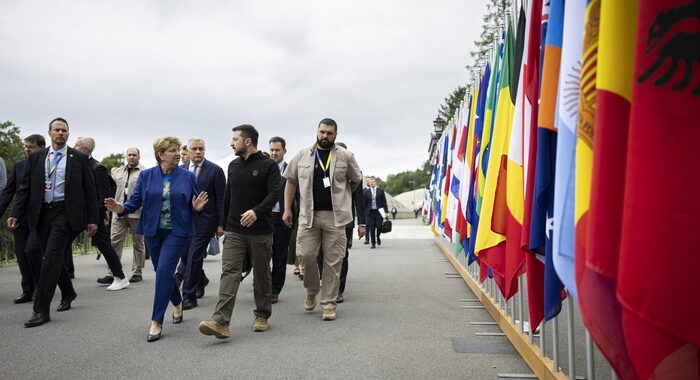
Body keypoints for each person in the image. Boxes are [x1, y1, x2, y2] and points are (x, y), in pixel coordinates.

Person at [105, 136, 209, 342]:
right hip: (153, 232)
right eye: (172, 151)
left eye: (178, 150)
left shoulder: (187, 176)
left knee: (163, 271)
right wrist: (121, 208)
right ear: (161, 155)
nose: (178, 154)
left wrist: (196, 209)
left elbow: (195, 202)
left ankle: (157, 320)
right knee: (163, 272)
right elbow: (135, 201)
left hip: (177, 232)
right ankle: (177, 302)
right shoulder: (146, 176)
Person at [8, 118, 98, 328]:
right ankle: (68, 291)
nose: (60, 133)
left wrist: (93, 219)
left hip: (65, 213)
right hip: (40, 214)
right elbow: (25, 188)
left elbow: (90, 191)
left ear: (68, 134)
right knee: (36, 252)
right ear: (49, 133)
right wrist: (15, 212)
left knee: (51, 258)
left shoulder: (79, 159)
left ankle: (41, 310)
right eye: (57, 130)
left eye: (64, 131)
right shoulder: (37, 157)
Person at [198, 124, 280, 339]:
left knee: (262, 275)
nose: (231, 142)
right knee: (230, 273)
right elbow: (228, 196)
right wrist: (221, 223)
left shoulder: (269, 166)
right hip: (234, 230)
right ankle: (221, 321)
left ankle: (262, 315)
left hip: (261, 231)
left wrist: (257, 211)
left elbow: (274, 194)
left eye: (234, 139)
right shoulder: (233, 165)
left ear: (247, 141)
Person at [282, 118, 362, 321]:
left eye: (329, 133)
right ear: (317, 132)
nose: (325, 136)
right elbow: (290, 181)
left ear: (336, 135)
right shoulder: (302, 155)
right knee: (305, 255)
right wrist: (287, 209)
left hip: (335, 217)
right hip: (308, 215)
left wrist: (342, 197)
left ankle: (328, 304)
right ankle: (311, 289)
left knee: (333, 262)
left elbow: (355, 180)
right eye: (322, 132)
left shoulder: (346, 156)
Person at [74, 137, 129, 291]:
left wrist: (97, 216)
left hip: (93, 216)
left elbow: (103, 196)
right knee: (60, 243)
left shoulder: (97, 168)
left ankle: (120, 277)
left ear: (85, 149)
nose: (73, 147)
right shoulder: (77, 166)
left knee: (105, 246)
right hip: (77, 214)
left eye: (76, 145)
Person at [315, 142, 365, 304]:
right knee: (321, 253)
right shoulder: (324, 169)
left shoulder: (353, 173)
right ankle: (325, 280)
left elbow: (359, 200)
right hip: (323, 216)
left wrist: (362, 223)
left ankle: (338, 289)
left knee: (341, 255)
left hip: (344, 219)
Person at [179, 138, 225, 310]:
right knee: (184, 256)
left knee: (193, 257)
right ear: (188, 151)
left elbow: (221, 199)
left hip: (206, 222)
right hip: (184, 223)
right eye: (194, 149)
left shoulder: (215, 171)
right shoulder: (180, 170)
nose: (198, 152)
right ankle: (201, 280)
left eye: (201, 149)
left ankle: (188, 296)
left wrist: (221, 224)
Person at [0, 134, 46, 303]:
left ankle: (41, 288)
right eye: (25, 146)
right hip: (19, 217)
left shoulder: (47, 165)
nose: (26, 149)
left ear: (41, 148)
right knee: (21, 254)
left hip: (41, 217)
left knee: (32, 250)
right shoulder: (19, 166)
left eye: (30, 147)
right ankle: (27, 290)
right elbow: (8, 191)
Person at [110, 147, 146, 282]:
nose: (132, 157)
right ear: (126, 156)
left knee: (138, 243)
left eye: (134, 155)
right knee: (115, 242)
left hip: (137, 212)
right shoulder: (117, 171)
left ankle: (137, 272)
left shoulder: (145, 172)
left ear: (139, 156)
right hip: (118, 212)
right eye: (129, 155)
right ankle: (113, 272)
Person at [268, 136, 292, 304]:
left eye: (277, 150)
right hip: (264, 218)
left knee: (279, 255)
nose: (274, 153)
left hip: (282, 217)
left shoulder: (291, 170)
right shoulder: (263, 168)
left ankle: (275, 289)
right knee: (261, 256)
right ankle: (262, 286)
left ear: (284, 151)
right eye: (272, 150)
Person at [363, 177, 388, 249]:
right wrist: (365, 213)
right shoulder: (366, 192)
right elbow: (364, 204)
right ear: (369, 184)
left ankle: (378, 237)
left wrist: (386, 212)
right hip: (370, 212)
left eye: (373, 181)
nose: (371, 183)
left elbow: (384, 202)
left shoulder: (380, 190)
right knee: (372, 228)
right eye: (370, 182)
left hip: (379, 212)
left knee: (379, 226)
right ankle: (373, 243)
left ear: (375, 182)